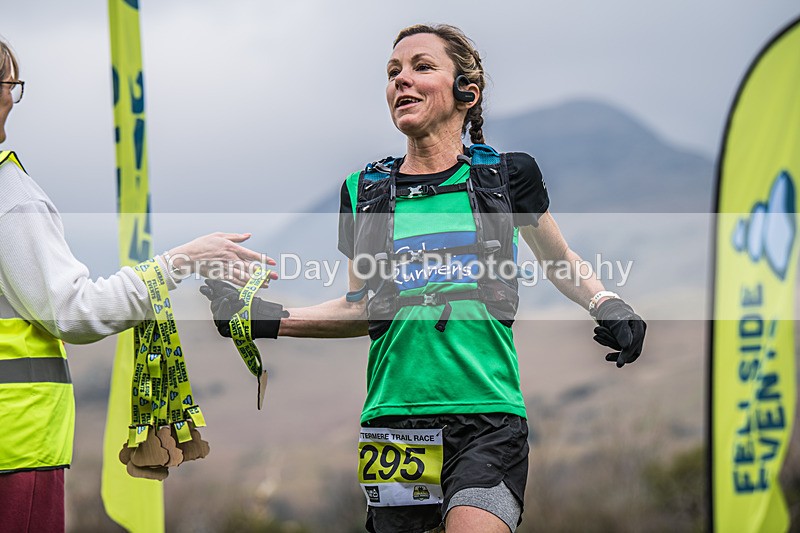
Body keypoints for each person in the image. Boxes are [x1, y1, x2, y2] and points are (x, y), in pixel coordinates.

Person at [202, 24, 646, 533]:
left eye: (421, 67)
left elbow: (560, 260)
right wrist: (263, 319)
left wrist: (608, 303)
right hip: (393, 426)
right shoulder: (364, 192)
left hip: (486, 420)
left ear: (466, 92)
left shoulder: (504, 178)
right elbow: (363, 308)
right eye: (393, 73)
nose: (402, 81)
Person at [0, 38, 275, 532]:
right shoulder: (11, 197)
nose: (10, 101)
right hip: (12, 446)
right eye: (9, 85)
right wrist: (178, 262)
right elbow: (74, 313)